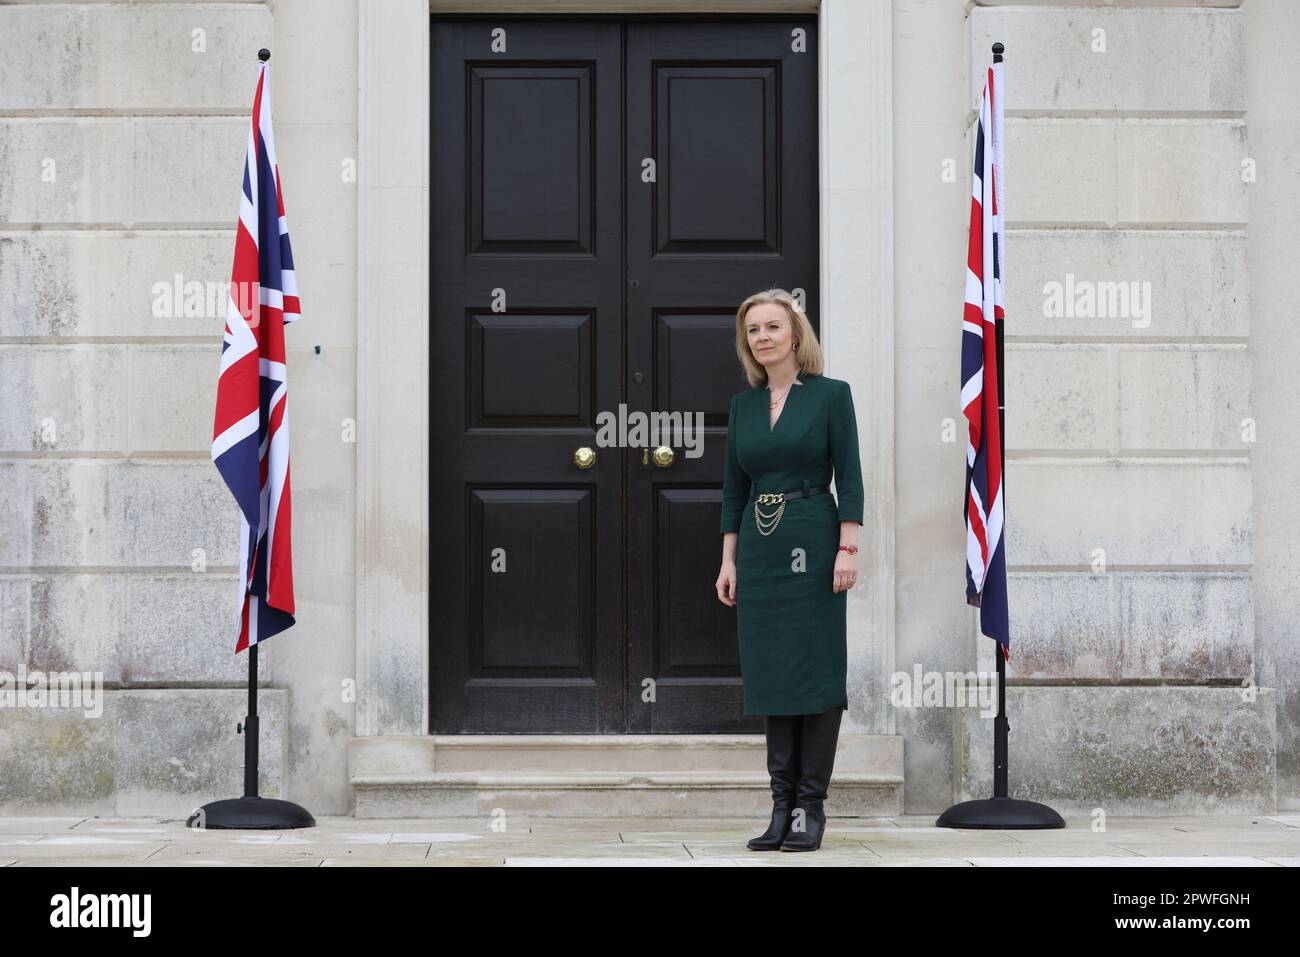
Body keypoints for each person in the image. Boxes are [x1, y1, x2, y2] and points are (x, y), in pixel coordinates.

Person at [715, 288, 864, 852]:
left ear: (795, 335)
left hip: (815, 538)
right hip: (760, 549)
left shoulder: (831, 396)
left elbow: (849, 477)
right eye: (753, 330)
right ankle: (780, 807)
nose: (762, 338)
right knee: (772, 675)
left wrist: (847, 550)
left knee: (818, 672)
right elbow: (734, 488)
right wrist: (729, 560)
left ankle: (810, 807)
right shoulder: (743, 406)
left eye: (772, 327)